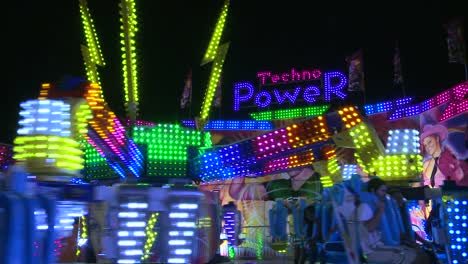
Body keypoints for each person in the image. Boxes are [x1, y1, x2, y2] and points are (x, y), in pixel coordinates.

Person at [342, 177, 431, 264]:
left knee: (420, 255)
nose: (384, 194)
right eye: (382, 191)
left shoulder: (375, 206)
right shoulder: (365, 207)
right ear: (373, 191)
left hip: (379, 247)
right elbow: (368, 228)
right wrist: (380, 210)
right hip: (370, 252)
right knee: (416, 258)